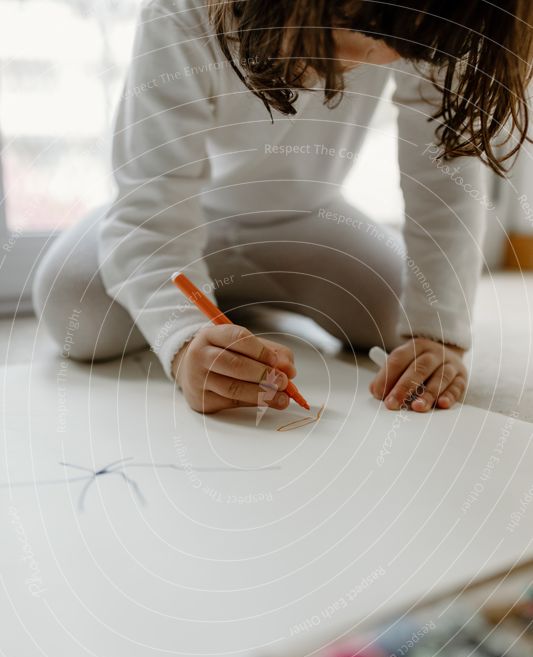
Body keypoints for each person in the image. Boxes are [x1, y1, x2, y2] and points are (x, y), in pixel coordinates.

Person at [33, 0, 533, 414]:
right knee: (72, 307)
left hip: (308, 217)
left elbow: (441, 172)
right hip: (188, 213)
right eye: (354, 31)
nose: (373, 54)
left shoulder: (423, 17)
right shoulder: (183, 10)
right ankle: (217, 301)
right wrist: (185, 341)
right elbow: (152, 202)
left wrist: (439, 336)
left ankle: (238, 301)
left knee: (398, 318)